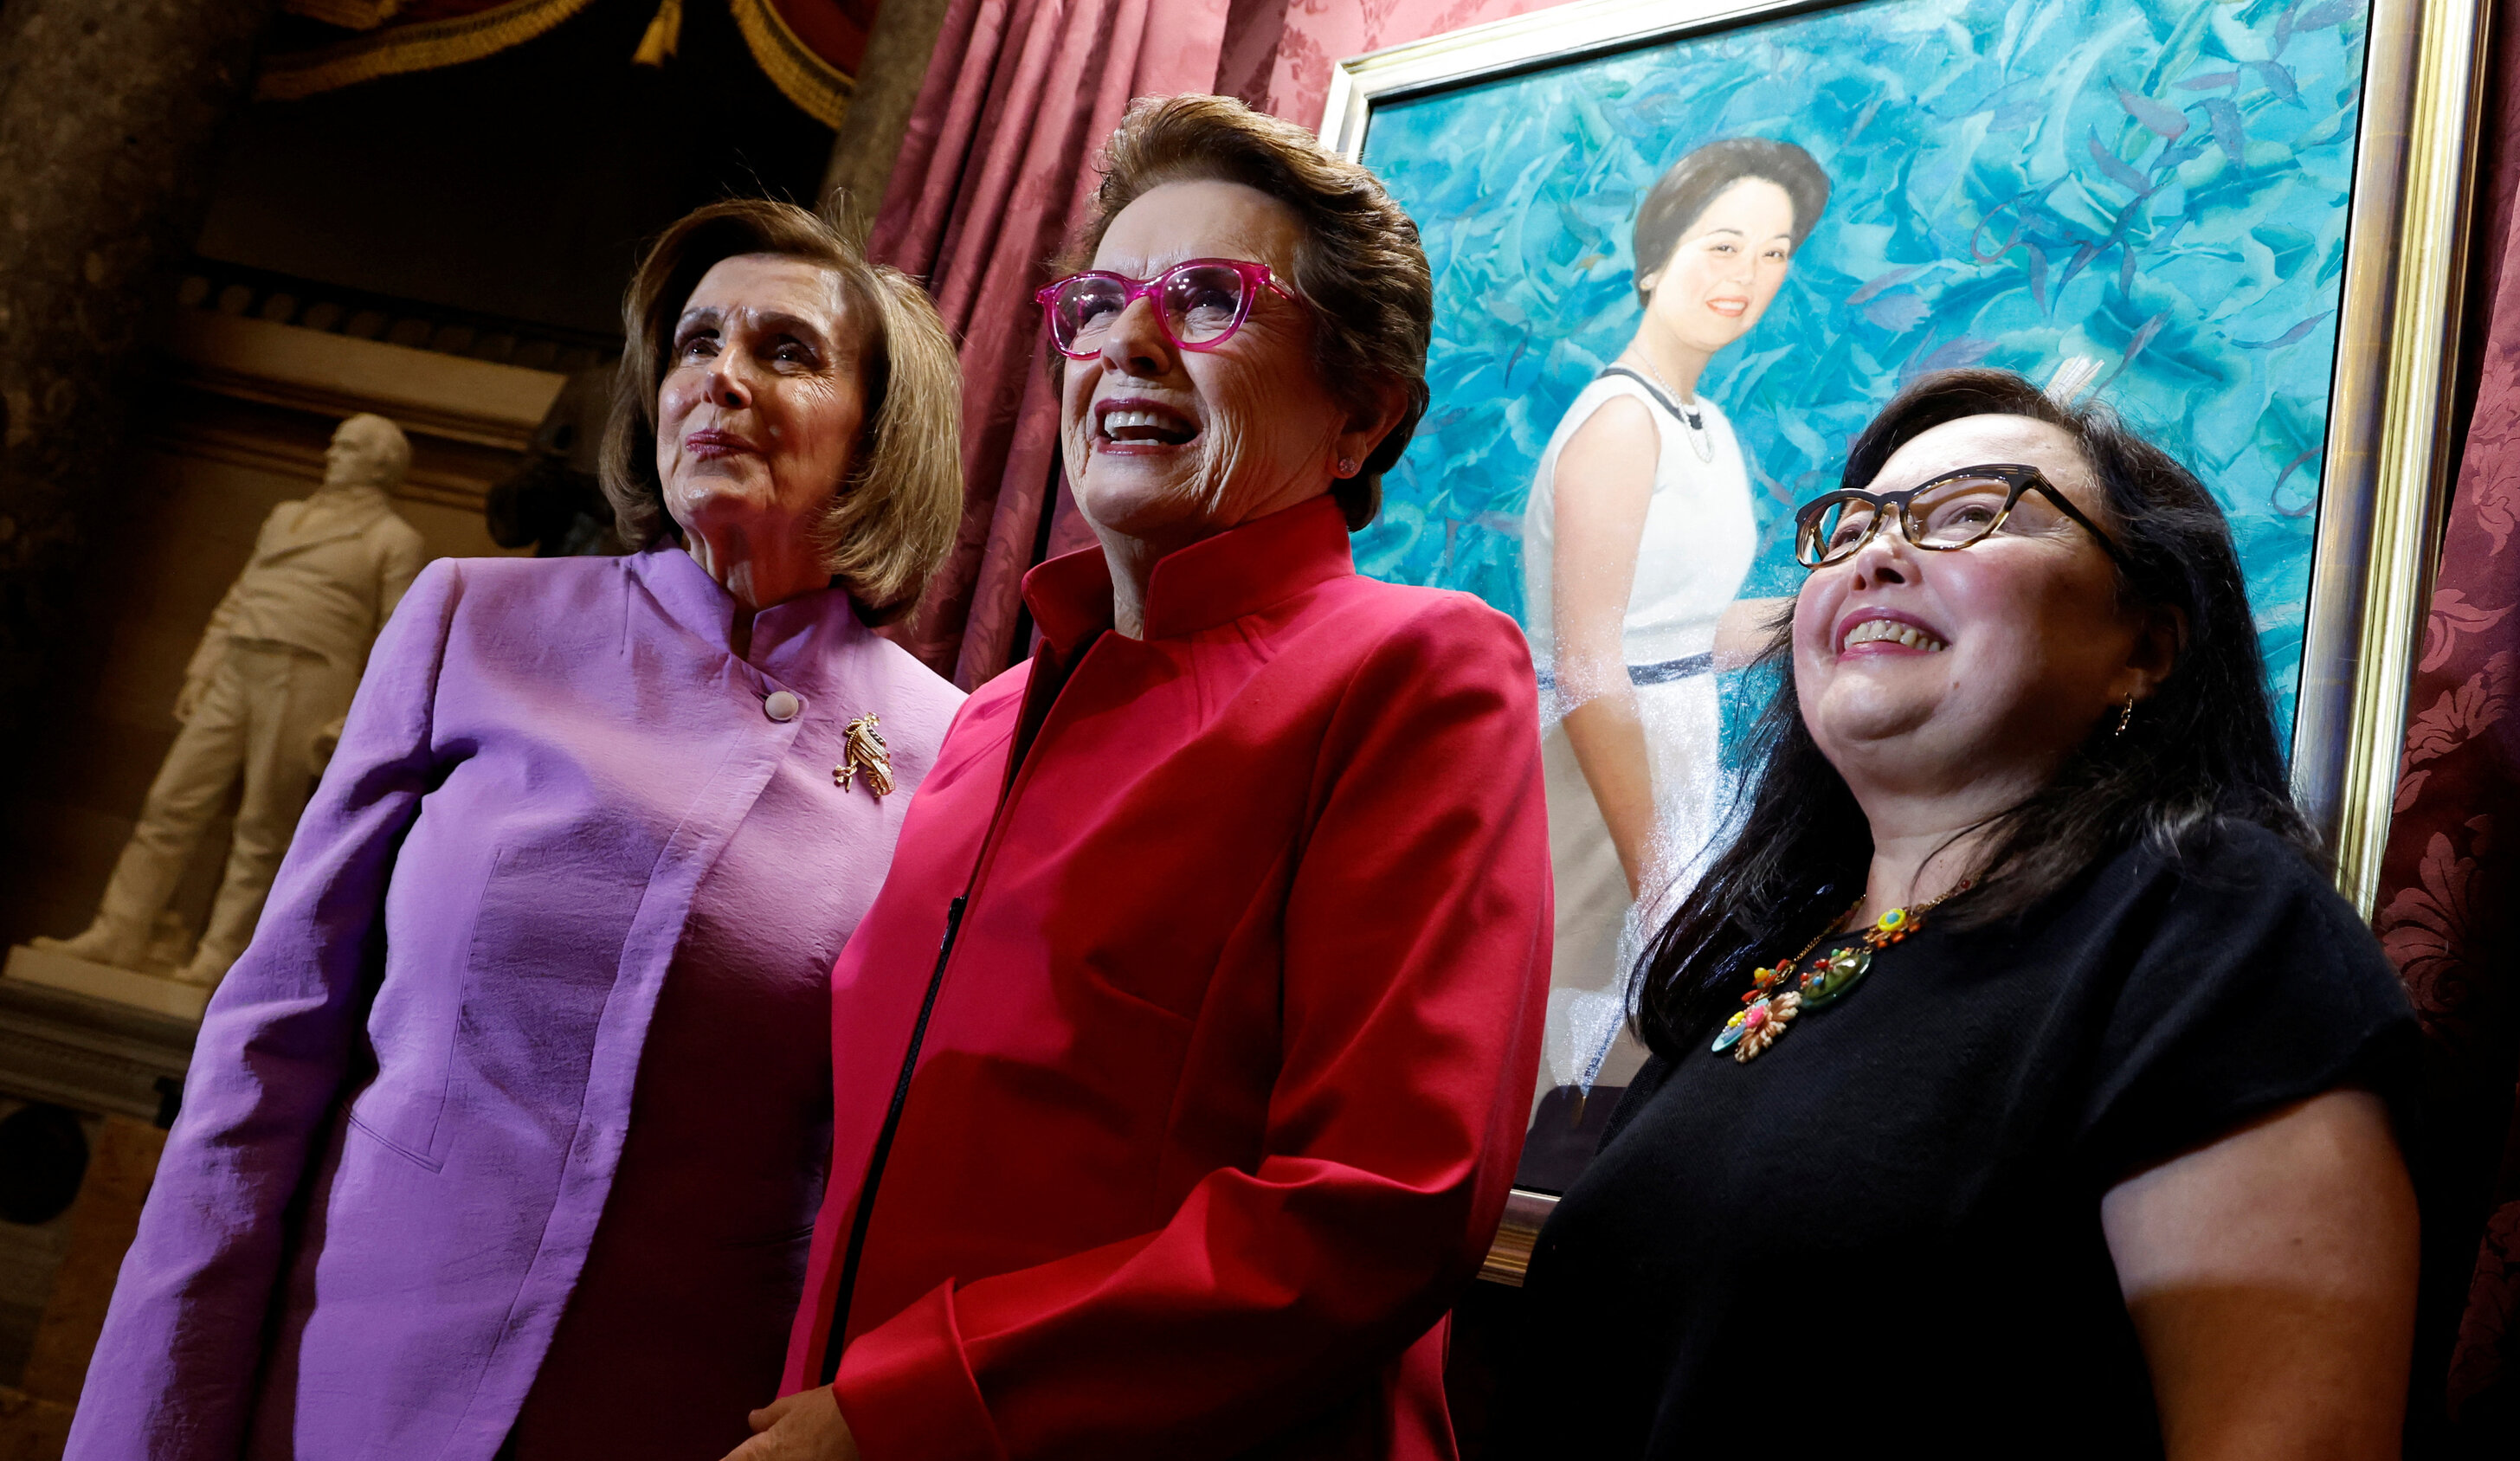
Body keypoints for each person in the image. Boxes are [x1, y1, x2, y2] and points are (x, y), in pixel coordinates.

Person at [66, 198, 969, 1461]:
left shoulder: (955, 748)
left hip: (674, 1410)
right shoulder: (468, 623)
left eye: (786, 351)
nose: (721, 378)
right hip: (347, 1391)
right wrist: (147, 1429)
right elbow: (264, 1057)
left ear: (880, 438)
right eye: (697, 343)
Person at [732, 95, 1551, 1461]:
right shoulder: (986, 721)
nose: (1129, 342)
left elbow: (1387, 1196)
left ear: (1363, 414)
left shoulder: (1418, 670)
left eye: (1210, 298)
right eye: (1102, 300)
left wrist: (906, 1410)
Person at [1495, 368, 2421, 1458]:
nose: (1879, 552)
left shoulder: (2214, 923)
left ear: (2146, 648)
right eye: (1851, 529)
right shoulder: (1762, 959)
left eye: (1973, 511)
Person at [1518, 138, 1830, 1157]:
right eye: (1723, 243)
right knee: (1571, 1057)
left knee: (1634, 1078)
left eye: (1773, 254)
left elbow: (1682, 632)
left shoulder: (1705, 422)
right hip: (1596, 773)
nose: (1745, 276)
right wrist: (1660, 869)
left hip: (1672, 758)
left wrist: (1826, 602)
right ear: (1657, 256)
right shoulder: (1619, 421)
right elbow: (1594, 660)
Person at [35, 413, 425, 986]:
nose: (331, 455)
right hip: (238, 668)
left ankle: (223, 952)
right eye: (335, 446)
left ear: (380, 464)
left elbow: (399, 637)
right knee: (170, 803)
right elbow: (239, 595)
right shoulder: (286, 517)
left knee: (264, 824)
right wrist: (202, 669)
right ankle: (119, 930)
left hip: (310, 677)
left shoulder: (394, 539)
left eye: (346, 449)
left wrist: (357, 717)